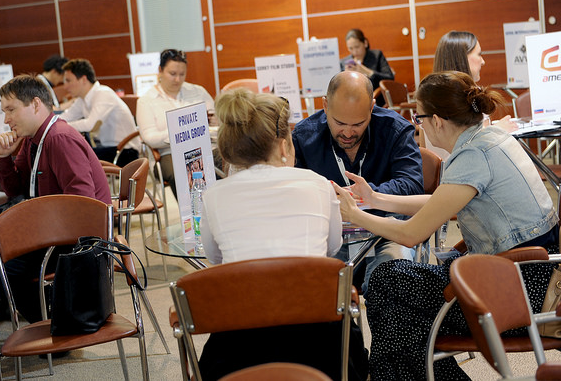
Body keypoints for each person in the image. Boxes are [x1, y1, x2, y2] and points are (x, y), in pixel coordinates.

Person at [333, 71, 559, 380]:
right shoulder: (491, 139)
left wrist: (355, 215)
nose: (419, 126)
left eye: (420, 118)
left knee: (390, 286)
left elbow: (411, 234)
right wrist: (374, 198)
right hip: (532, 274)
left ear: (437, 121)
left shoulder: (472, 156)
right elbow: (441, 201)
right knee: (396, 301)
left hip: (519, 288)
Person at [198, 88, 368, 381]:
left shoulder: (213, 195)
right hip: (319, 337)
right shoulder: (318, 184)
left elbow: (215, 259)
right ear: (282, 145)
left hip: (240, 341)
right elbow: (332, 249)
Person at [292, 71, 423, 293]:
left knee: (394, 275)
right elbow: (297, 193)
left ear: (372, 107)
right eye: (339, 123)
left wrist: (365, 195)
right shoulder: (304, 137)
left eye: (358, 124)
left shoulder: (395, 130)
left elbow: (412, 186)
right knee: (307, 285)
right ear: (325, 105)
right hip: (331, 236)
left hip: (387, 232)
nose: (348, 133)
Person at [0, 74, 111, 324]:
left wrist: (40, 232)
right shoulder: (33, 139)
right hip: (56, 229)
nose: (6, 120)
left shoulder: (58, 138)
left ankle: (50, 324)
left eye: (11, 110)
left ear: (35, 104)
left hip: (81, 239)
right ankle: (48, 319)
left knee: (5, 267)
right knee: (0, 257)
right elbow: (15, 189)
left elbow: (83, 204)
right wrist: (4, 157)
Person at [136, 49, 215, 198]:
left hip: (204, 148)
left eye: (182, 74)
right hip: (169, 153)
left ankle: (219, 207)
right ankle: (194, 211)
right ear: (160, 70)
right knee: (184, 172)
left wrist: (214, 120)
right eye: (172, 74)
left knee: (226, 162)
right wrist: (180, 132)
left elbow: (215, 119)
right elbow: (149, 137)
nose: (177, 79)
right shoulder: (146, 101)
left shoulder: (198, 92)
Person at [430, 30, 516, 159]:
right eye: (479, 54)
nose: (483, 61)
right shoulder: (461, 100)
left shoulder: (430, 96)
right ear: (462, 58)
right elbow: (472, 147)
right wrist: (498, 130)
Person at [59, 58, 140, 166]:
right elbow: (65, 117)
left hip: (124, 151)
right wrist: (54, 124)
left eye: (68, 81)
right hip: (107, 148)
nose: (65, 86)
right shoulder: (82, 99)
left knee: (76, 157)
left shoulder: (103, 93)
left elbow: (90, 125)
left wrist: (62, 126)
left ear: (83, 79)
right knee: (72, 154)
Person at [339, 29, 394, 106]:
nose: (354, 51)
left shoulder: (377, 56)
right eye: (350, 48)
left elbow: (390, 78)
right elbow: (339, 88)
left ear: (365, 43)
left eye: (357, 47)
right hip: (352, 103)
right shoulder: (345, 62)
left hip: (376, 101)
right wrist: (345, 75)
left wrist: (366, 71)